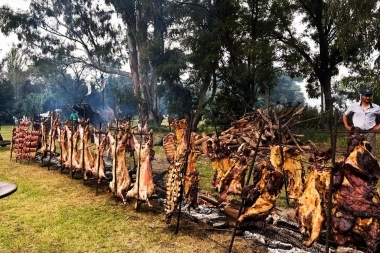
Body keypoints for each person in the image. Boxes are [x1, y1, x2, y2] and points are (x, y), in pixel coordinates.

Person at [343, 88, 380, 154]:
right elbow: (345, 114)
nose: (368, 98)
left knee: (370, 153)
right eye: (366, 96)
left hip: (370, 133)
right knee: (355, 152)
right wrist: (346, 126)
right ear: (362, 96)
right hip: (356, 133)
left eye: (369, 96)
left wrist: (378, 127)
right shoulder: (354, 106)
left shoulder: (376, 107)